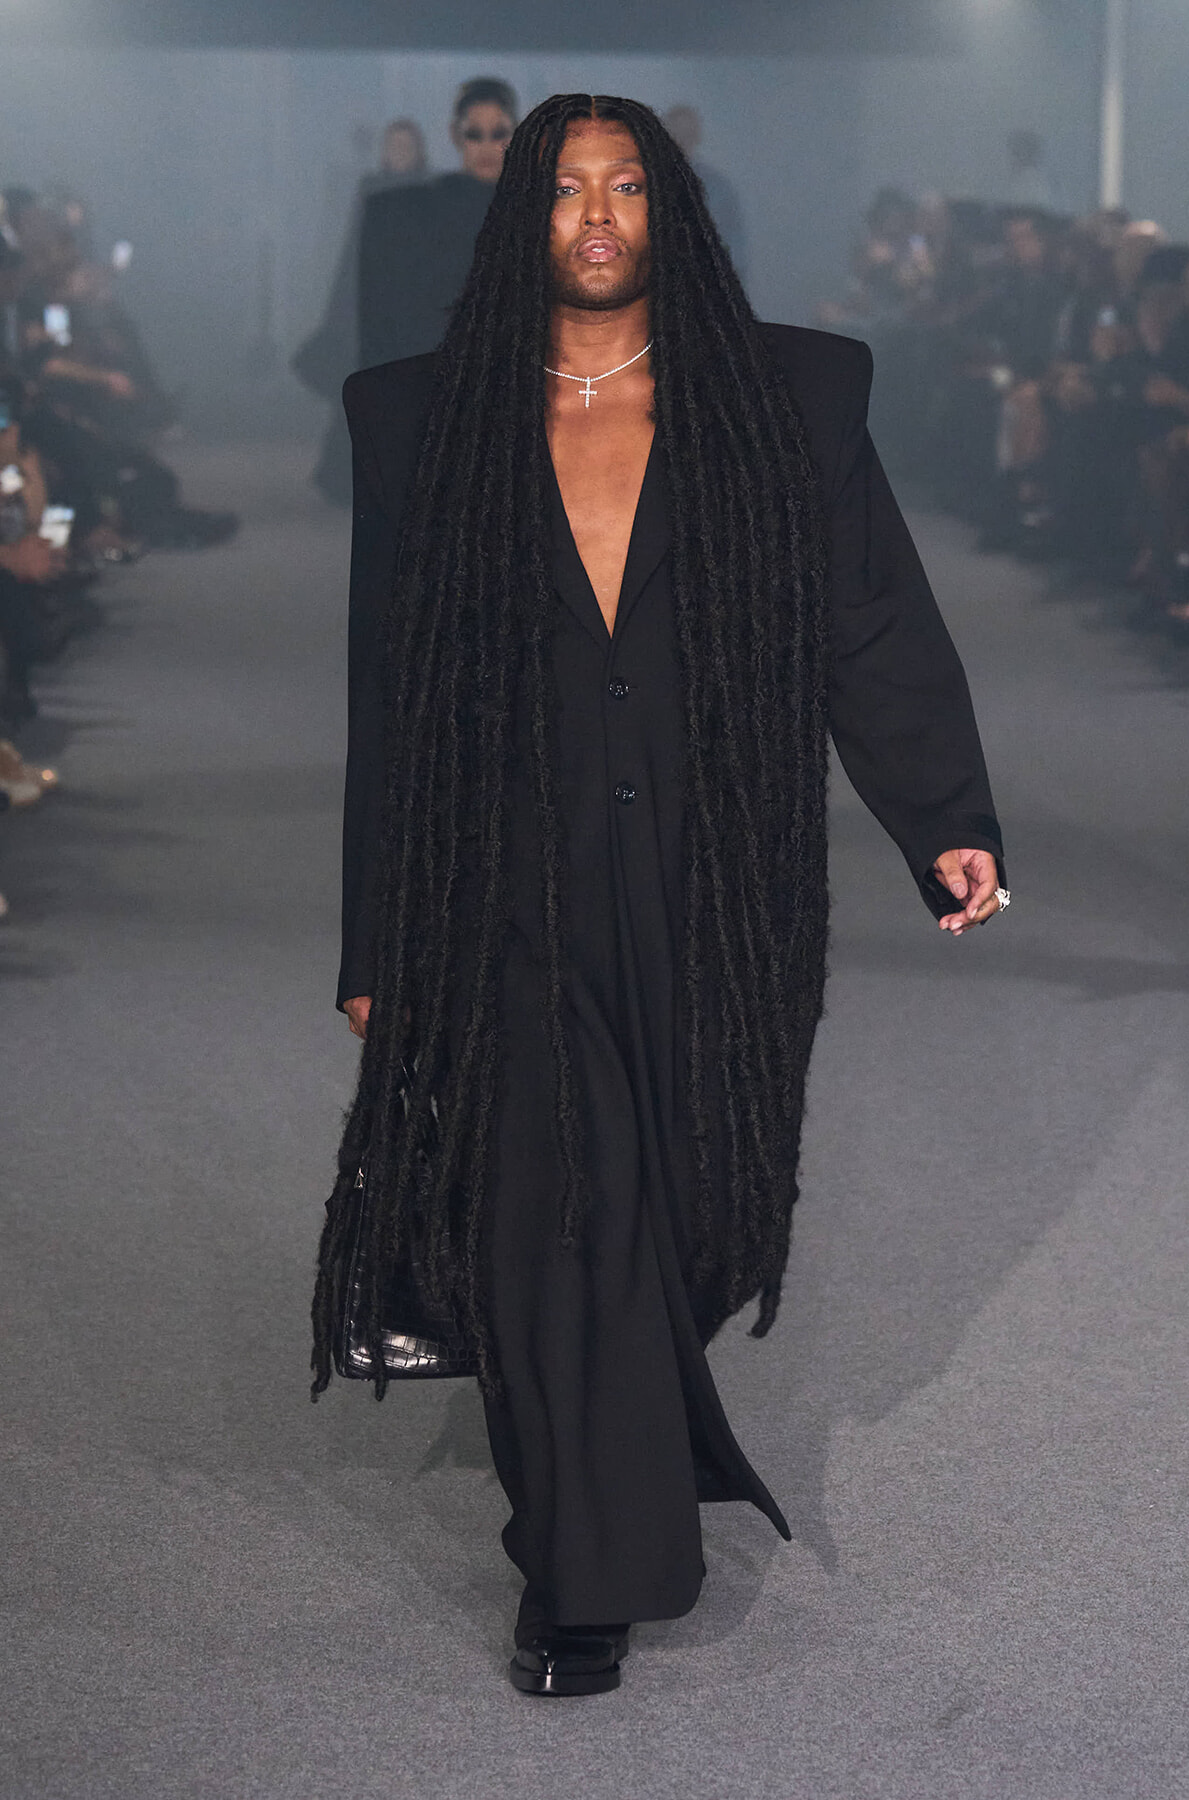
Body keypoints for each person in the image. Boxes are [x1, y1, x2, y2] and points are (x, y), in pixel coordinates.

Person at [312, 94, 1007, 1699]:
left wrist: (943, 818)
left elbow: (869, 622)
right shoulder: (422, 419)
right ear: (522, 220)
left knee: (686, 1207)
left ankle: (628, 1426)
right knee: (560, 1202)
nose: (601, 212)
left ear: (674, 211)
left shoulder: (790, 395)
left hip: (720, 875)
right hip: (508, 878)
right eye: (569, 190)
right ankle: (585, 1574)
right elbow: (391, 693)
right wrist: (378, 935)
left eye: (630, 185)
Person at [294, 118, 430, 505]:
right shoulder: (370, 188)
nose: (399, 154)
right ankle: (343, 479)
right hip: (375, 308)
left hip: (413, 310)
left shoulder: (429, 192)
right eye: (393, 147)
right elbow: (355, 248)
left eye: (405, 147)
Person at [357, 78, 518, 369]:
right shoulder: (413, 212)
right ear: (455, 135)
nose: (486, 146)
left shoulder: (536, 212)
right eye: (474, 134)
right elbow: (389, 312)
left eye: (498, 133)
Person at [664, 103, 746, 279]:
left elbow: (733, 247)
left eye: (686, 134)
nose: (681, 140)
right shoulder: (642, 181)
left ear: (696, 137)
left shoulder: (717, 187)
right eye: (676, 134)